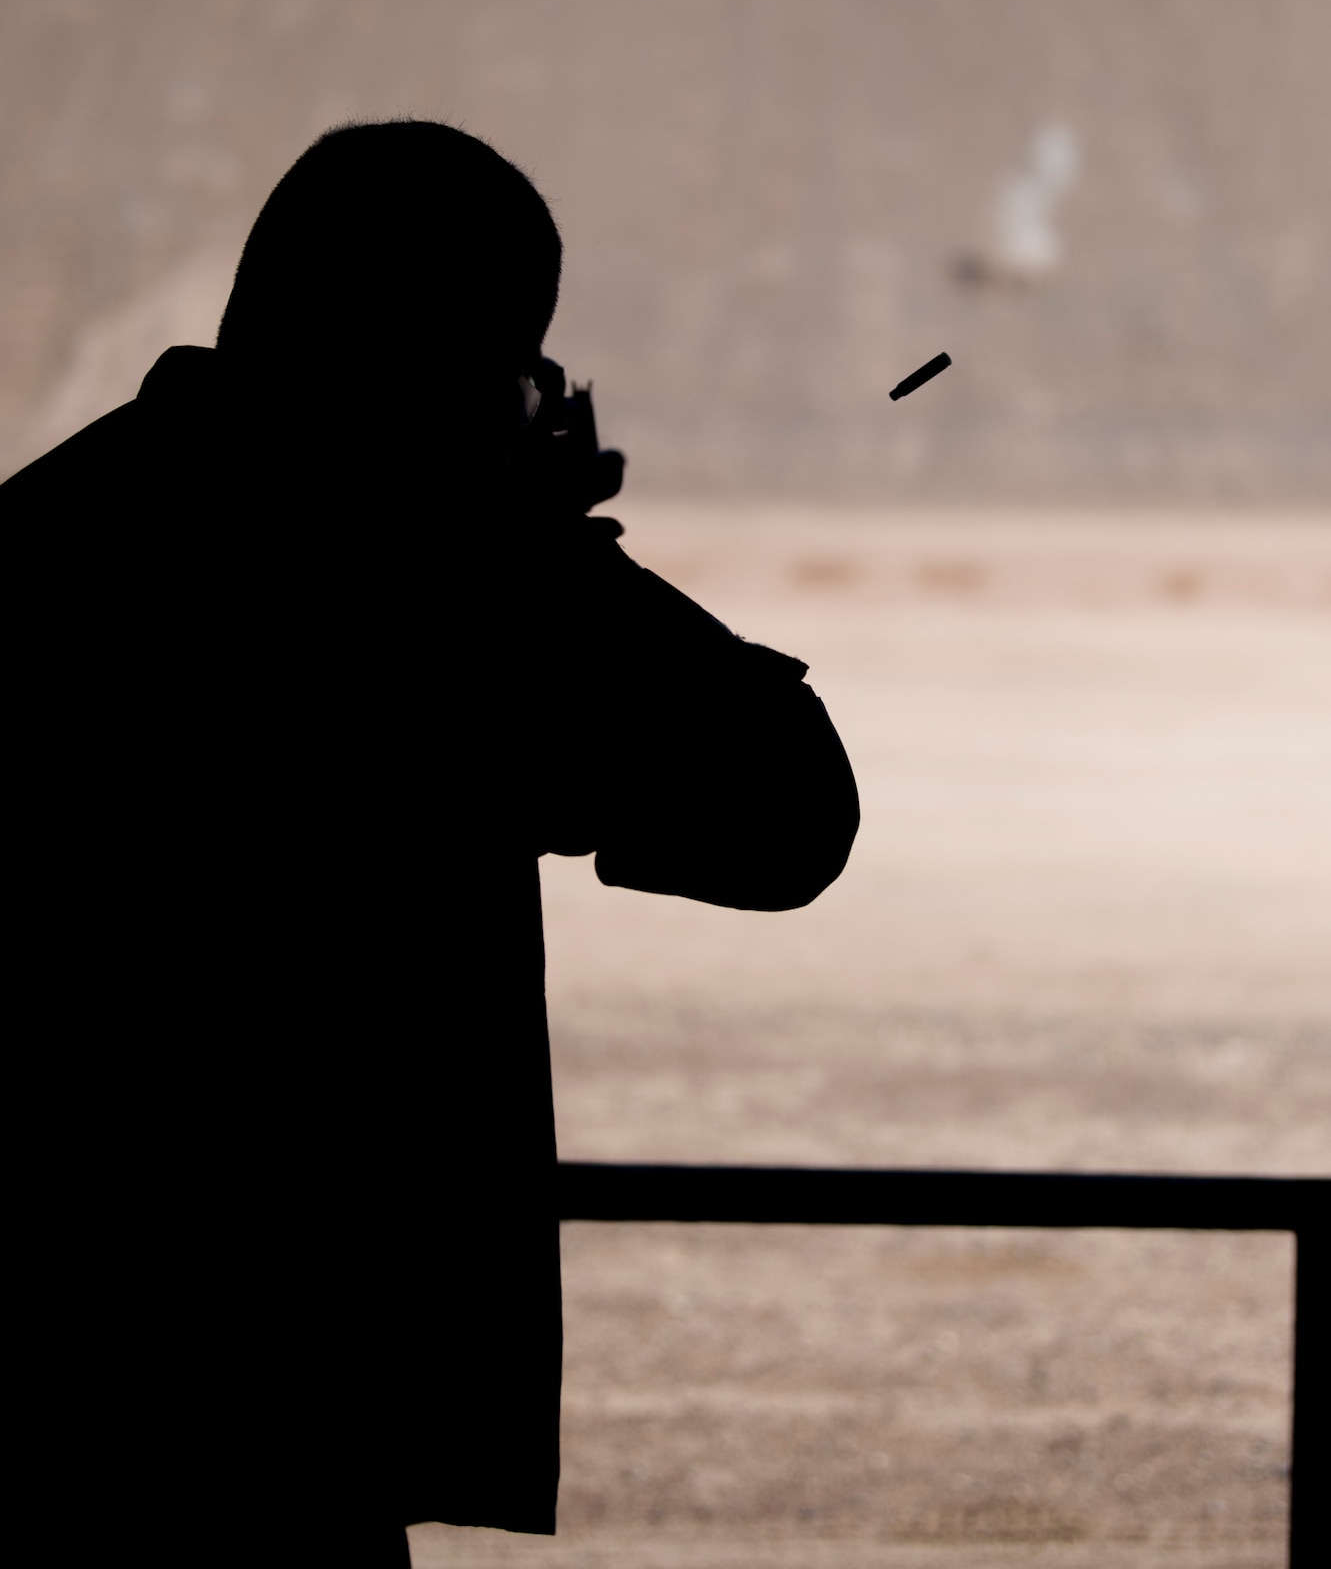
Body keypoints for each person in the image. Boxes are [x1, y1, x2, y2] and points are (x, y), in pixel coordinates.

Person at [3, 121, 859, 1566]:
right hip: (306, 1393)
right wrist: (538, 548)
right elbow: (783, 817)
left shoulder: (48, 539)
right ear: (479, 358)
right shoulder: (446, 593)